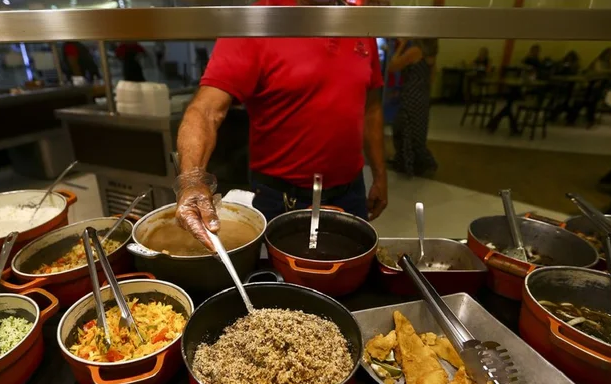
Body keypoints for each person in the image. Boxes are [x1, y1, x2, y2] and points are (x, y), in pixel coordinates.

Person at [174, 0, 388, 250]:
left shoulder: (359, 22)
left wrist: (380, 176)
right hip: (282, 199)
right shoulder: (259, 20)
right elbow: (205, 110)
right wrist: (191, 181)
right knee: (280, 284)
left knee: (351, 278)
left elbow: (371, 108)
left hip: (351, 193)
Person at [387, 38, 438, 177]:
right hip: (423, 96)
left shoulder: (415, 51)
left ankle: (406, 163)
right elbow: (432, 78)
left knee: (403, 127)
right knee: (416, 131)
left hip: (411, 95)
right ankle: (418, 164)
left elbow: (392, 66)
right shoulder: (431, 55)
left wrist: (401, 46)